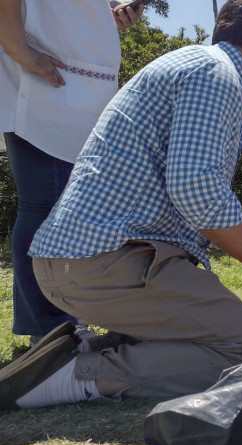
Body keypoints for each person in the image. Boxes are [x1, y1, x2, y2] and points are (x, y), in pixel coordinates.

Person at [0, 0, 242, 411]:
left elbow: (197, 191)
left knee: (215, 339)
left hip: (87, 260)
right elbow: (195, 187)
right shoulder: (218, 76)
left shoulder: (199, 66)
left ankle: (80, 350)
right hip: (101, 261)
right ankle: (73, 378)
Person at [0, 0, 143, 347]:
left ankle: (62, 323)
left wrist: (110, 14)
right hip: (41, 69)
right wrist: (15, 44)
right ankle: (50, 331)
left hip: (79, 75)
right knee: (46, 205)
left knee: (67, 207)